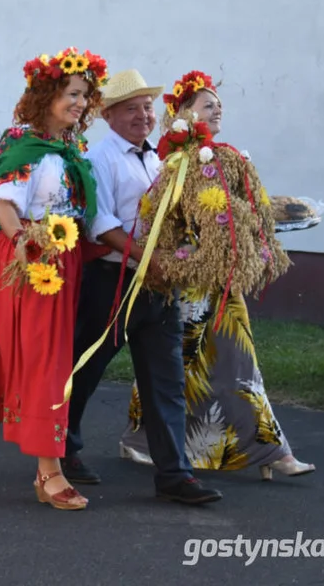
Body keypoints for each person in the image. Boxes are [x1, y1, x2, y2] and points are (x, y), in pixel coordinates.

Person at [120, 72, 314, 481]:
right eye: (208, 104)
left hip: (223, 285)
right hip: (188, 285)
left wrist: (257, 240)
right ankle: (141, 440)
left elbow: (246, 214)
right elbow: (161, 222)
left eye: (218, 104)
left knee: (239, 364)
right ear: (186, 115)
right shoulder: (175, 163)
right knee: (177, 367)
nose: (218, 108)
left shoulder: (226, 158)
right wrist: (185, 258)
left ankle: (271, 452)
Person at [0, 48, 105, 511]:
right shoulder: (25, 143)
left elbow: (87, 211)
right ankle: (48, 473)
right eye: (72, 94)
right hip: (31, 258)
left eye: (84, 96)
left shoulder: (73, 149)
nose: (80, 103)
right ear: (47, 95)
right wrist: (24, 243)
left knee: (7, 347)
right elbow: (3, 203)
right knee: (47, 362)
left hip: (66, 258)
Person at [62, 68, 223, 505]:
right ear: (109, 115)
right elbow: (100, 224)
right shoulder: (99, 158)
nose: (143, 115)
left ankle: (174, 474)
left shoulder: (161, 156)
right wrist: (144, 260)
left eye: (147, 107)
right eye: (131, 108)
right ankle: (62, 447)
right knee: (87, 368)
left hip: (157, 282)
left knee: (166, 379)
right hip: (113, 281)